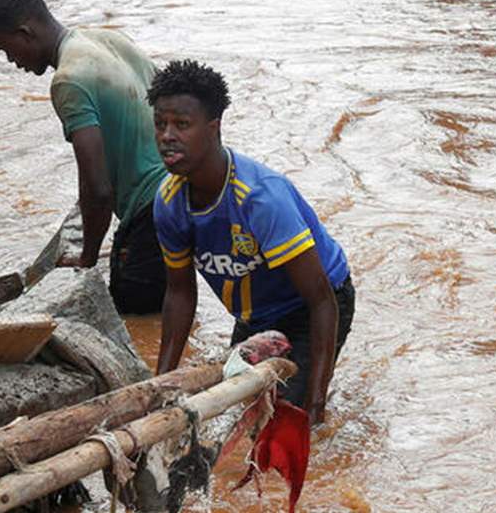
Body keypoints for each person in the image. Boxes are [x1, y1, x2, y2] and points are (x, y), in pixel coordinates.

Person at [150, 60, 353, 425]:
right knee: (241, 410)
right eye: (160, 124)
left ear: (214, 128)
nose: (167, 136)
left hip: (315, 305)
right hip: (256, 313)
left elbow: (322, 299)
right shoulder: (169, 201)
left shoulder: (259, 199)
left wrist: (315, 405)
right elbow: (180, 294)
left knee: (288, 420)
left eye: (182, 125)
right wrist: (160, 389)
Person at [0, 0, 169, 313]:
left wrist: (87, 257)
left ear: (25, 32)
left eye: (6, 50)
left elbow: (97, 188)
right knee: (172, 297)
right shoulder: (108, 40)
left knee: (135, 316)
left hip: (149, 211)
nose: (12, 61)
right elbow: (172, 100)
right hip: (184, 192)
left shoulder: (68, 80)